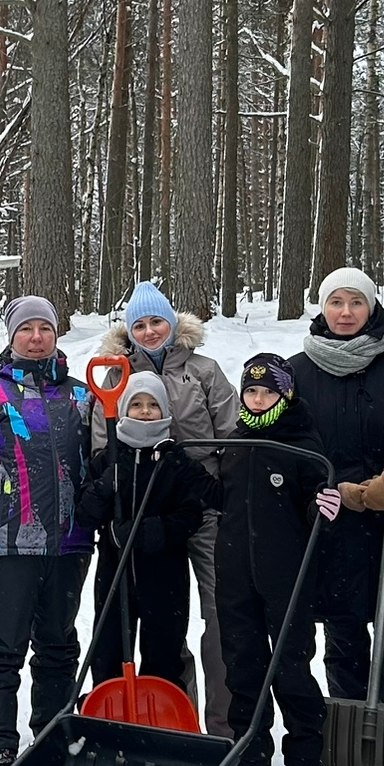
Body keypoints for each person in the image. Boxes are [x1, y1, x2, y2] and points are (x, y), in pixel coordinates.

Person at [0, 296, 95, 766]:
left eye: (45, 329)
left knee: (58, 643)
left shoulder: (81, 396)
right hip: (9, 541)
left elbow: (98, 463)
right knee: (3, 644)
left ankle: (53, 729)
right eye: (27, 329)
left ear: (56, 336)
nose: (36, 337)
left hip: (70, 541)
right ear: (12, 337)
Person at [91, 280, 240, 731]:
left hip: (202, 508)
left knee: (222, 616)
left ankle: (225, 723)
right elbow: (102, 447)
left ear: (173, 324)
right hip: (144, 516)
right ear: (128, 330)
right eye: (140, 323)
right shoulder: (113, 376)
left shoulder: (204, 371)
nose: (151, 331)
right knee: (159, 617)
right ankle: (172, 714)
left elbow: (232, 436)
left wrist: (224, 491)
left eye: (158, 321)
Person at [287, 266, 384, 711]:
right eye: (336, 302)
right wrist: (320, 489)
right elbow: (291, 446)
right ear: (322, 307)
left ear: (372, 307)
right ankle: (350, 731)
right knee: (343, 633)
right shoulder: (297, 371)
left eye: (357, 302)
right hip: (332, 521)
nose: (346, 312)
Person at [219, 354, 342, 766]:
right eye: (250, 391)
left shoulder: (301, 444)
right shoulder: (233, 443)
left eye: (267, 391)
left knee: (291, 668)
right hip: (235, 573)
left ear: (285, 394)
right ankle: (250, 763)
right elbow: (220, 498)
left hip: (286, 575)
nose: (257, 399)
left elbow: (316, 506)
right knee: (243, 668)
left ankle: (304, 763)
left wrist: (323, 508)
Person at [80, 371, 220, 691]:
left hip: (165, 572)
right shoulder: (108, 460)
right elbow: (85, 514)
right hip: (115, 570)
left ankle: (158, 723)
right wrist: (105, 490)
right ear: (124, 409)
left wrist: (155, 531)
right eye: (137, 404)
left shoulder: (175, 460)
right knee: (109, 649)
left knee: (164, 651)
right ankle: (110, 719)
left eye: (153, 405)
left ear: (164, 412)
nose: (144, 411)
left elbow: (191, 515)